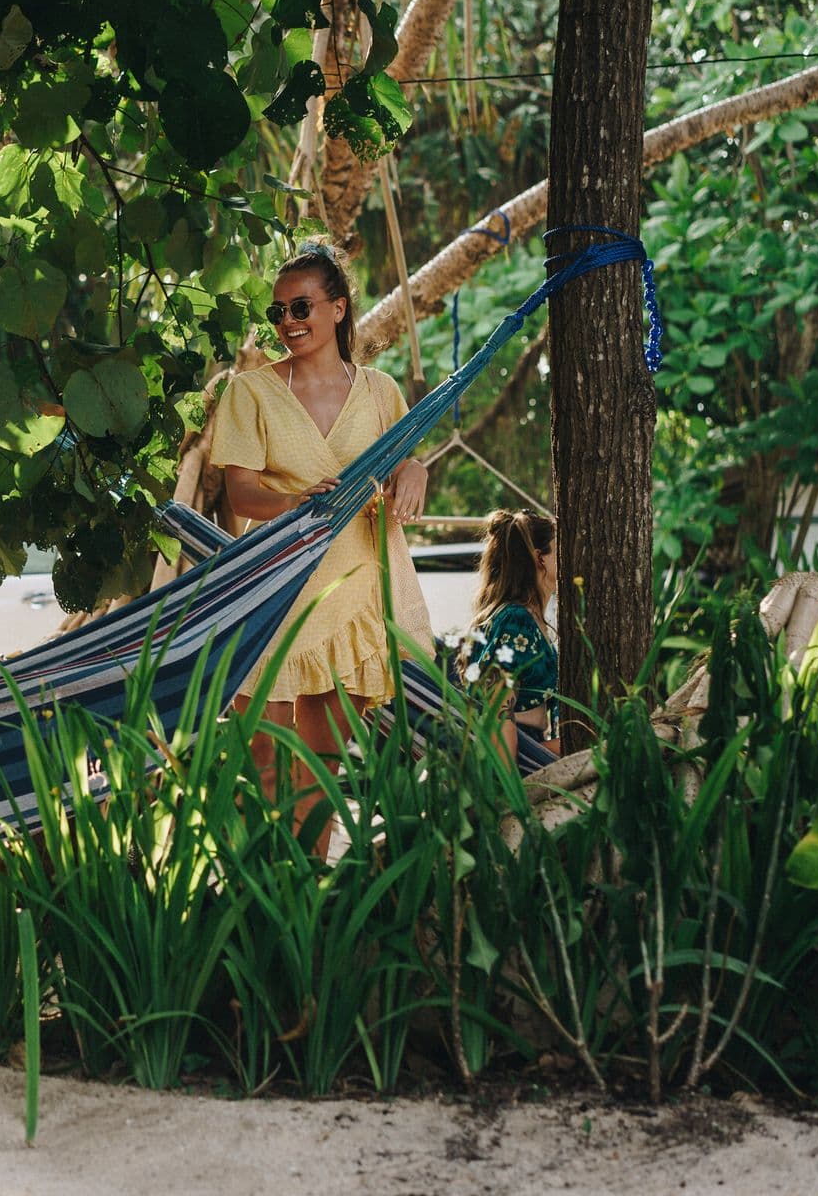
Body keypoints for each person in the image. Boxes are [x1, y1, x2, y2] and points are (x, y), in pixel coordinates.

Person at [210, 242, 429, 839]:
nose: (287, 323)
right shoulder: (250, 392)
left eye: (300, 307)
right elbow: (241, 495)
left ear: (337, 308)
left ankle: (306, 899)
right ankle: (263, 887)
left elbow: (405, 458)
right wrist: (297, 504)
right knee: (264, 757)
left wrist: (416, 470)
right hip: (278, 584)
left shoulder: (382, 392)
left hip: (353, 588)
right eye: (277, 313)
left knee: (321, 770)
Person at [455, 510, 560, 760]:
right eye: (559, 548)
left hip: (528, 744)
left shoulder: (526, 619)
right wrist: (508, 785)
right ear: (540, 558)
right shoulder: (516, 620)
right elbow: (497, 707)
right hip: (514, 750)